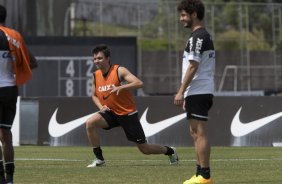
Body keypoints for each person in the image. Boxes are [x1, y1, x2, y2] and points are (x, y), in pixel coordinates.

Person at [86, 44, 178, 168]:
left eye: (100, 58)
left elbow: (139, 83)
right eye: (95, 58)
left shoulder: (119, 70)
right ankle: (99, 159)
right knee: (90, 123)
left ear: (108, 58)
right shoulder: (95, 75)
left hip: (127, 114)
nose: (96, 61)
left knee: (145, 149)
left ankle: (170, 151)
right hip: (111, 113)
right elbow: (94, 95)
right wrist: (101, 107)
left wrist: (121, 87)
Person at [174, 0, 215, 184]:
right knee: (194, 133)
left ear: (194, 14)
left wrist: (181, 91)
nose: (181, 18)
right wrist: (187, 92)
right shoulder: (197, 36)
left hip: (199, 90)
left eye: (183, 15)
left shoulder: (198, 37)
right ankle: (199, 173)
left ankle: (205, 175)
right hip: (195, 91)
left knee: (200, 132)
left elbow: (193, 66)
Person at [0, 4, 37, 184]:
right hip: (10, 89)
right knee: (6, 134)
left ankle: (0, 177)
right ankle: (10, 178)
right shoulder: (15, 36)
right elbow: (33, 62)